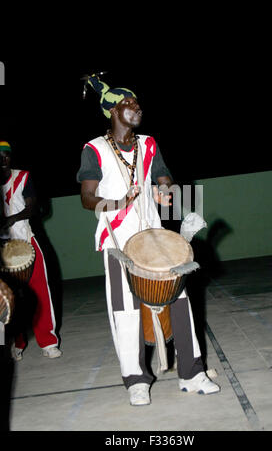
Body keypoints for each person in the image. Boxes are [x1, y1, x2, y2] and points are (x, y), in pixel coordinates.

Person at [77, 74, 220, 405]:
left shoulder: (150, 143)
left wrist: (166, 192)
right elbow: (87, 199)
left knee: (180, 301)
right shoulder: (94, 149)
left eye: (138, 103)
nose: (137, 107)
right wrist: (120, 202)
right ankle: (136, 380)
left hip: (154, 237)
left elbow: (164, 179)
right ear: (112, 110)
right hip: (117, 240)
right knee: (125, 311)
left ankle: (192, 373)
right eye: (129, 103)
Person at [0, 141, 62, 360]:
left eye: (6, 155)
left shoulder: (22, 177)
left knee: (40, 292)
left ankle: (48, 342)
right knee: (7, 299)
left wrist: (12, 219)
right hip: (2, 249)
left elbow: (33, 207)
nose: (3, 159)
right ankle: (15, 343)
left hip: (25, 242)